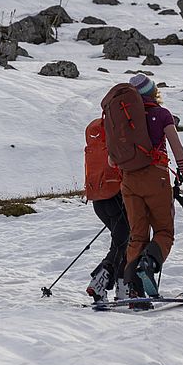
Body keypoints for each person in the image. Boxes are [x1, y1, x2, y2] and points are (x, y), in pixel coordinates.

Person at [117, 73, 183, 303]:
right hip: (156, 177)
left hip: (129, 180)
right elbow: (177, 148)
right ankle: (148, 264)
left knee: (137, 234)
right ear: (153, 92)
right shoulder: (161, 114)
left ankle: (134, 290)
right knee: (164, 231)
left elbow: (113, 160)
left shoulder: (123, 119)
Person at [83, 117, 131, 303]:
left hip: (98, 199)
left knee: (124, 242)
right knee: (122, 243)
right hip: (116, 197)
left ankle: (122, 288)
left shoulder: (97, 135)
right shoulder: (118, 135)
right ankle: (99, 281)